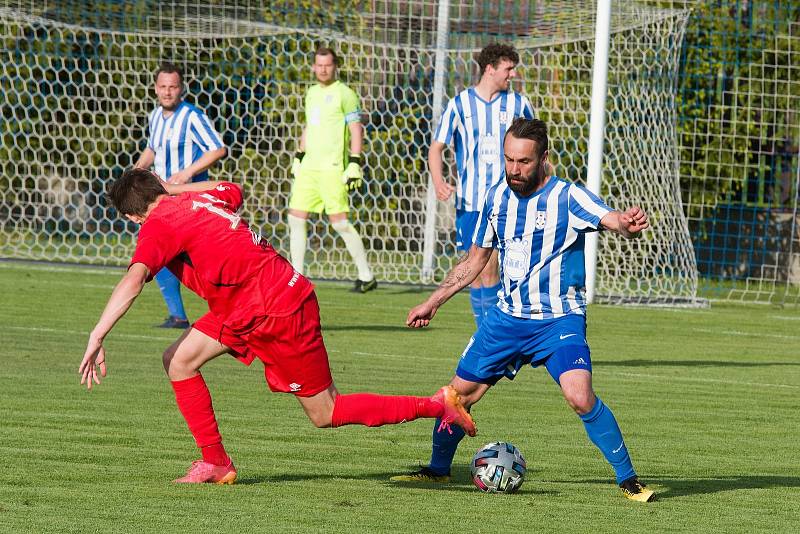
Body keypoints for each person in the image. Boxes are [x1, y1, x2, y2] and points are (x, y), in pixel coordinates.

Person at [78, 168, 475, 485]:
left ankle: (438, 404)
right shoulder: (201, 199)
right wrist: (177, 187)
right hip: (247, 303)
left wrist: (97, 335)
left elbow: (133, 279)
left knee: (326, 412)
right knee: (178, 361)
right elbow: (229, 187)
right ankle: (215, 462)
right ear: (161, 188)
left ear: (132, 216)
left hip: (277, 311)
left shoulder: (159, 224)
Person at [391, 118, 655, 503]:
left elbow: (612, 219)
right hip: (507, 319)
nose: (514, 170)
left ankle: (629, 479)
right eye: (509, 160)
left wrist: (627, 225)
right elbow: (474, 260)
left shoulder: (568, 196)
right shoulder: (496, 198)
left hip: (559, 318)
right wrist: (432, 302)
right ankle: (437, 470)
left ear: (543, 158)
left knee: (580, 396)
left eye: (523, 162)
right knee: (455, 397)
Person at [429, 43, 535, 327]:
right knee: (476, 272)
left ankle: (492, 335)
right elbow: (436, 147)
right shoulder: (459, 104)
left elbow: (537, 149)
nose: (512, 75)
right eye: (508, 69)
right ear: (490, 69)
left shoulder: (518, 104)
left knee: (493, 269)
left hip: (508, 200)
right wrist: (439, 182)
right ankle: (487, 333)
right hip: (470, 202)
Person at [133, 62, 227, 328]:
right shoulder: (154, 116)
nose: (167, 92)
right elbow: (153, 148)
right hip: (162, 200)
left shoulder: (192, 116)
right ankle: (178, 316)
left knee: (199, 258)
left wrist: (186, 174)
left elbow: (217, 149)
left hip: (188, 200)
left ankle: (227, 308)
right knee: (158, 252)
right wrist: (137, 171)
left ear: (181, 88)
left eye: (173, 87)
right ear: (155, 88)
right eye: (163, 87)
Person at [289, 47, 377, 293]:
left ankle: (366, 275)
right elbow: (309, 125)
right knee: (295, 218)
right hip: (309, 168)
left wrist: (354, 162)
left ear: (335, 66)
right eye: (319, 65)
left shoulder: (345, 94)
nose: (323, 69)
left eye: (327, 65)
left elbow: (357, 129)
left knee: (339, 223)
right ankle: (297, 277)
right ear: (314, 67)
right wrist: (299, 156)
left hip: (333, 168)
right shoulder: (311, 93)